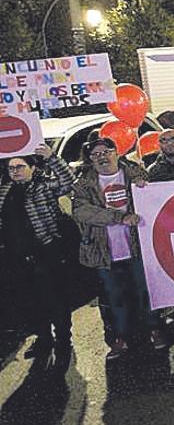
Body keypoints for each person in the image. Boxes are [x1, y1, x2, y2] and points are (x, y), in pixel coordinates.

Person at [71, 137, 165, 359]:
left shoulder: (136, 175)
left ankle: (155, 330)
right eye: (95, 154)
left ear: (117, 152)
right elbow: (81, 212)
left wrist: (147, 188)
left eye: (106, 151)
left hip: (137, 248)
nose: (102, 157)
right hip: (105, 252)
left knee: (147, 293)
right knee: (115, 298)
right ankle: (119, 339)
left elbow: (156, 201)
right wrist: (120, 217)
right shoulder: (84, 183)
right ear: (90, 159)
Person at [1, 145, 76, 358]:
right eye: (11, 168)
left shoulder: (43, 187)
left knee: (55, 298)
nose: (15, 171)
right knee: (30, 300)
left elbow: (68, 182)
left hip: (46, 251)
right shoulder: (5, 190)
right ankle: (43, 338)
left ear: (33, 167)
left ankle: (63, 339)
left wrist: (52, 158)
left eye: (20, 166)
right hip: (17, 256)